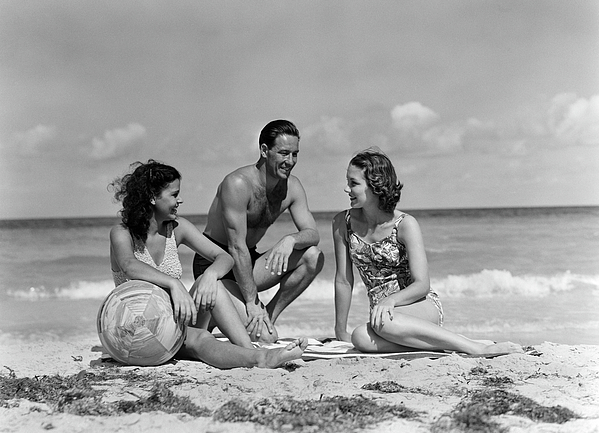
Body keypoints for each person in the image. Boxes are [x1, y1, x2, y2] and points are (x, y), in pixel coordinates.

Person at [109, 160, 307, 369]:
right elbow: (129, 265)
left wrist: (210, 276)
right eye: (174, 195)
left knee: (212, 285)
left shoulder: (177, 228)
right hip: (136, 330)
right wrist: (174, 284)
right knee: (200, 339)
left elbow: (225, 257)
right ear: (152, 197)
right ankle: (259, 359)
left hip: (174, 320)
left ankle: (251, 352)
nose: (180, 200)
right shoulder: (122, 233)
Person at [332, 148, 522, 355]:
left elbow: (422, 285)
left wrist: (391, 300)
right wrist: (340, 329)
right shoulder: (343, 223)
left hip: (419, 306)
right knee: (360, 337)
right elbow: (343, 279)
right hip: (384, 317)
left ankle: (474, 347)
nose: (346, 189)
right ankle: (441, 344)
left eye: (354, 183)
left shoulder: (405, 225)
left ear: (375, 186)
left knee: (381, 323)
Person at [193, 120, 324, 343]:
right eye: (283, 153)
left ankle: (267, 317)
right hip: (217, 263)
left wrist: (290, 239)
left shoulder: (292, 187)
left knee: (313, 256)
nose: (290, 161)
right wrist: (252, 303)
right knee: (265, 339)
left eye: (294, 154)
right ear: (264, 150)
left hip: (248, 261)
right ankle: (219, 313)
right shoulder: (237, 184)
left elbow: (313, 233)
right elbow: (236, 246)